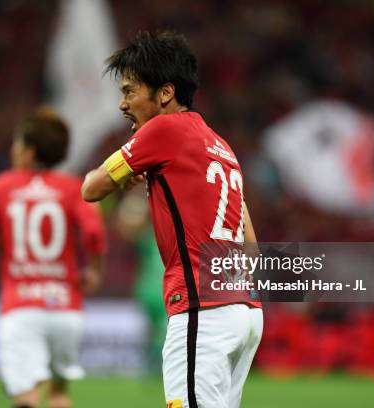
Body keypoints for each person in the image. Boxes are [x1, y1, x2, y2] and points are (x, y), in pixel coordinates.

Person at [81, 31, 263, 408]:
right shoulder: (222, 147)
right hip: (244, 311)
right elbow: (252, 246)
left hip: (203, 312)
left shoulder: (163, 130)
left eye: (130, 91)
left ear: (164, 93)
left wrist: (126, 170)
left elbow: (91, 187)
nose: (122, 104)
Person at [0, 106, 106, 408]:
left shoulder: (0, 187)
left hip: (21, 307)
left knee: (26, 395)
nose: (13, 150)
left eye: (17, 143)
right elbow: (93, 232)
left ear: (28, 150)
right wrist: (93, 270)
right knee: (58, 393)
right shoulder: (72, 188)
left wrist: (6, 243)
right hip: (65, 306)